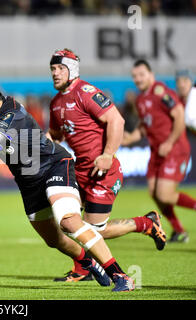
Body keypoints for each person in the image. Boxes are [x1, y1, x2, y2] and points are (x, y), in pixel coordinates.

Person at [0, 77, 135, 292]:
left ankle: (120, 275)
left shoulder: (10, 114)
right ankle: (88, 262)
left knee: (69, 221)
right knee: (54, 240)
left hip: (53, 166)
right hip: (28, 182)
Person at [46, 50, 166, 282]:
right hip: (79, 171)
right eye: (52, 69)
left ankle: (145, 223)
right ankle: (83, 270)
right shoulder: (56, 103)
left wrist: (108, 154)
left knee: (93, 231)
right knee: (67, 221)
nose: (55, 73)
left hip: (103, 172)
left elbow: (116, 120)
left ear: (72, 69)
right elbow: (55, 135)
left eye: (60, 68)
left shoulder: (86, 92)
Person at [123, 60, 196, 243]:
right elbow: (144, 126)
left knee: (165, 194)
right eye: (135, 76)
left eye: (141, 75)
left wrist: (170, 142)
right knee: (154, 193)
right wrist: (130, 137)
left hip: (174, 149)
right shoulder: (140, 100)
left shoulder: (161, 92)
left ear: (150, 74)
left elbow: (178, 114)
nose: (138, 79)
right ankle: (179, 231)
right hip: (157, 151)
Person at [175, 69, 196, 134]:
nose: (182, 85)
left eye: (185, 81)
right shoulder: (174, 102)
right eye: (179, 82)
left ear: (191, 83)